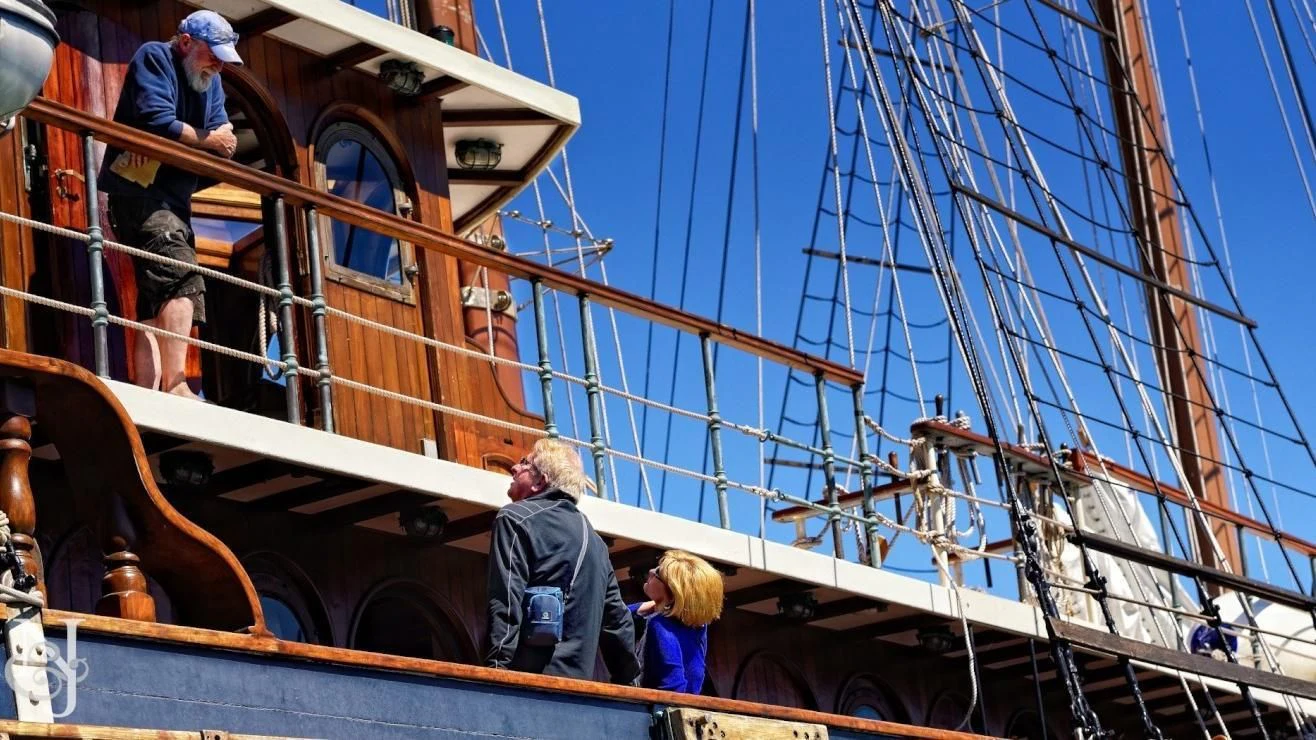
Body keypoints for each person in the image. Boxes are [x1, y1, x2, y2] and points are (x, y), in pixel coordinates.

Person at [98, 10, 241, 399]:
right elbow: (155, 118)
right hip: (138, 194)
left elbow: (225, 140)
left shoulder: (210, 81)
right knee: (181, 275)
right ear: (185, 43)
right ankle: (177, 386)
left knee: (153, 291)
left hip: (172, 200)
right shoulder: (155, 57)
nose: (219, 65)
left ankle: (148, 388)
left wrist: (208, 139)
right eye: (214, 54)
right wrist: (207, 139)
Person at [485, 438, 639, 683]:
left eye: (525, 463)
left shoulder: (514, 518)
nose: (514, 468)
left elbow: (505, 600)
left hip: (526, 686)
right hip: (576, 689)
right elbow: (617, 623)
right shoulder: (595, 541)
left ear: (540, 481)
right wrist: (630, 684)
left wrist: (495, 673)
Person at [629, 549, 723, 693]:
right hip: (689, 706)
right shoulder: (698, 627)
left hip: (659, 709)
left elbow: (673, 685)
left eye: (659, 573)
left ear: (674, 593)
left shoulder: (661, 626)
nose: (651, 571)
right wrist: (659, 605)